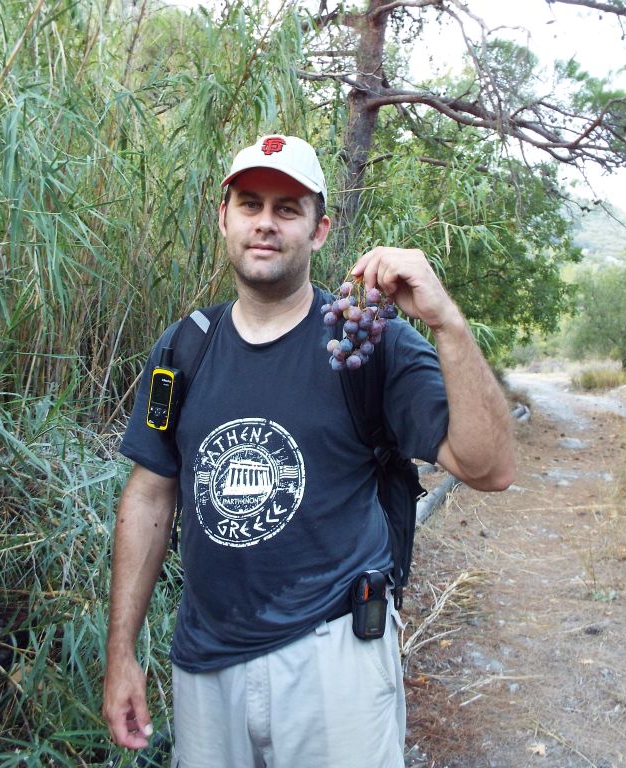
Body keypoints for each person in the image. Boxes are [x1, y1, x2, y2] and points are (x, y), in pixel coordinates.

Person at [103, 134, 515, 767]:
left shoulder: (369, 340)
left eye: (288, 208)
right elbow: (151, 494)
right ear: (224, 217)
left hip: (334, 658)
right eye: (250, 203)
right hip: (204, 663)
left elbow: (489, 468)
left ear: (320, 230)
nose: (265, 222)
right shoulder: (185, 348)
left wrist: (447, 325)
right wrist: (122, 655)